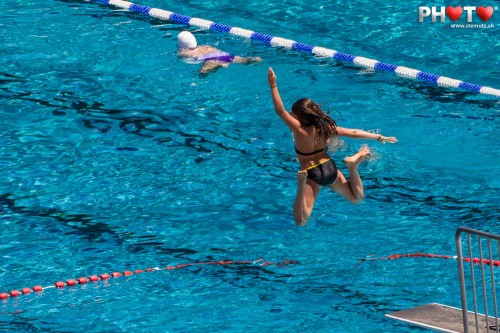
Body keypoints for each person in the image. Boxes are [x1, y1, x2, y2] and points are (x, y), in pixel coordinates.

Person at [267, 67, 398, 226]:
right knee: (356, 198)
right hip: (330, 169)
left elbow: (280, 111)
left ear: (300, 117)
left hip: (311, 174)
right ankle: (352, 167)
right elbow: (353, 132)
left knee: (301, 221)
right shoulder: (325, 128)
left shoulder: (299, 129)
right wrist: (379, 137)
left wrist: (273, 85)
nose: (290, 113)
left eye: (293, 113)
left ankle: (301, 184)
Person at [177, 31, 261, 74]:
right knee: (240, 60)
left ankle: (218, 65)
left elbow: (180, 57)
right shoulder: (204, 47)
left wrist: (180, 52)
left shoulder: (186, 52)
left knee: (201, 75)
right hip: (223, 55)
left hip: (212, 60)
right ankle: (249, 60)